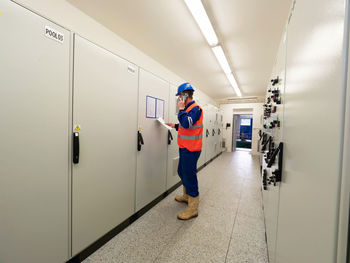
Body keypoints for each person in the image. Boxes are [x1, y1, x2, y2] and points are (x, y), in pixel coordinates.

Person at [166, 82, 203, 220]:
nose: (178, 99)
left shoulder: (195, 108)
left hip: (192, 148)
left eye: (179, 96)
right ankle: (187, 196)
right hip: (185, 147)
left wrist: (181, 110)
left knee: (190, 175)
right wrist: (175, 125)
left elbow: (187, 123)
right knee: (182, 171)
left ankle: (193, 208)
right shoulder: (188, 109)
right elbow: (185, 126)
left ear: (185, 95)